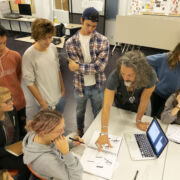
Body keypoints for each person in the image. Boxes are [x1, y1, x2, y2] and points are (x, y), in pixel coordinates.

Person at [96, 51, 157, 151]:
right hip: (120, 102)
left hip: (138, 105)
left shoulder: (150, 76)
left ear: (139, 73)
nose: (125, 77)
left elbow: (144, 101)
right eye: (123, 73)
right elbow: (107, 105)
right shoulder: (115, 75)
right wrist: (104, 132)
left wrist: (138, 121)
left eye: (129, 75)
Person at [66, 7, 109, 137]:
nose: (90, 29)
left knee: (98, 111)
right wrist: (90, 66)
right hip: (80, 86)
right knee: (79, 112)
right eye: (87, 25)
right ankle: (80, 130)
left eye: (94, 26)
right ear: (81, 20)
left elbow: (100, 67)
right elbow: (93, 66)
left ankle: (98, 133)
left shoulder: (103, 40)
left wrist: (78, 67)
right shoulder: (70, 42)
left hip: (97, 85)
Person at [22, 18, 65, 118]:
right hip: (45, 102)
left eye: (50, 37)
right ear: (37, 37)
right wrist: (42, 103)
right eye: (44, 38)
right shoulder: (29, 55)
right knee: (48, 129)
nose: (48, 41)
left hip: (58, 97)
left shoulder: (53, 48)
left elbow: (57, 69)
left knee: (58, 124)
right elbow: (29, 82)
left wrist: (63, 89)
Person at [23, 109, 83, 180]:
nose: (63, 132)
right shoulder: (46, 161)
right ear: (44, 133)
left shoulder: (36, 133)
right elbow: (76, 178)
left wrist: (70, 144)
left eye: (63, 128)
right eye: (59, 130)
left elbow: (55, 147)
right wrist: (66, 153)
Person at [0, 25, 26, 137]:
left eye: (4, 43)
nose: (1, 47)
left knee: (22, 131)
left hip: (19, 103)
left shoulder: (15, 56)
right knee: (10, 136)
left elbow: (19, 75)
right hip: (3, 109)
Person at [0, 86, 30, 180]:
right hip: (2, 155)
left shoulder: (12, 110)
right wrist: (11, 149)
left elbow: (17, 133)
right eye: (7, 101)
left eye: (11, 98)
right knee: (27, 163)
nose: (12, 103)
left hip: (14, 148)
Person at [147, 42, 180, 119]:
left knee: (165, 119)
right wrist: (153, 76)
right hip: (157, 94)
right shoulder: (165, 58)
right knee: (152, 117)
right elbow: (144, 61)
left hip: (173, 98)